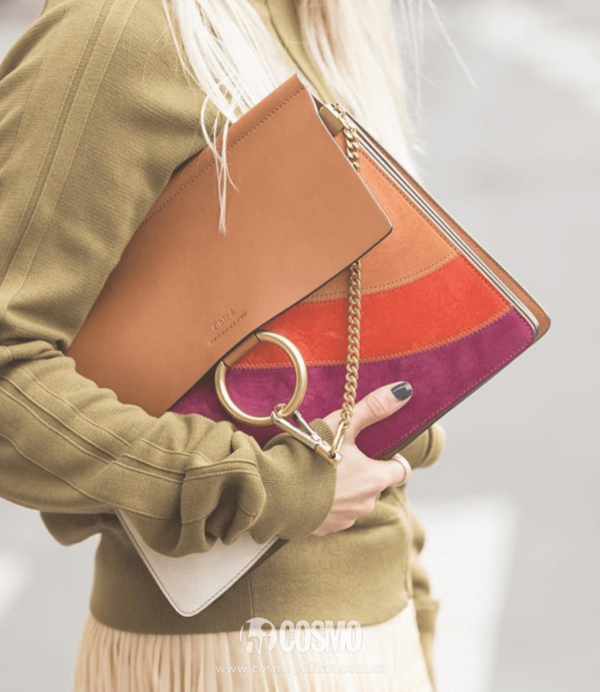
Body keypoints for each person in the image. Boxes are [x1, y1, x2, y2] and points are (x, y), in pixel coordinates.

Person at [0, 0, 447, 690]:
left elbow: (363, 454)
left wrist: (415, 625)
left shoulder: (318, 25)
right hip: (235, 658)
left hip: (370, 637)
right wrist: (268, 488)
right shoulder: (123, 30)